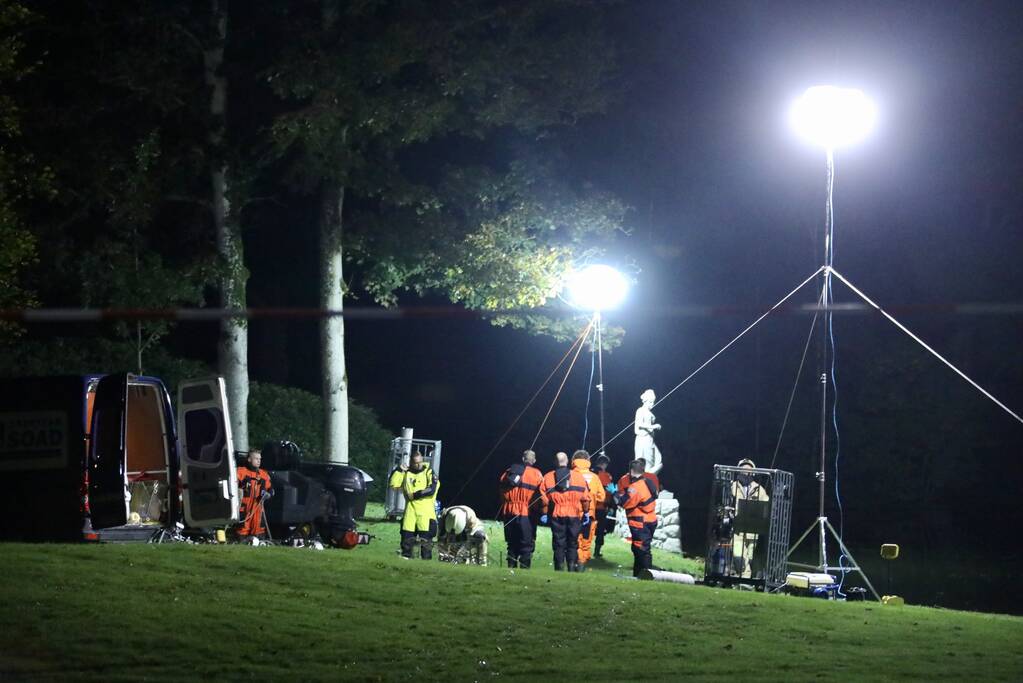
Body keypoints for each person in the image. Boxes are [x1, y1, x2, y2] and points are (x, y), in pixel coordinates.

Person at [540, 452, 590, 572]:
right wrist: (586, 512)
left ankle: (559, 568)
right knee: (573, 543)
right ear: (567, 461)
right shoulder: (578, 477)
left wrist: (544, 513)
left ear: (555, 462)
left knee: (558, 543)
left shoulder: (548, 477)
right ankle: (571, 568)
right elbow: (586, 497)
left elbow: (543, 499)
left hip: (557, 513)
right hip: (574, 514)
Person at [388, 452, 440, 559]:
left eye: (420, 462)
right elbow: (393, 484)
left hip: (425, 513)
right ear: (411, 462)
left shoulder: (429, 472)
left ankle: (426, 562)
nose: (418, 465)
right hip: (410, 511)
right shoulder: (406, 473)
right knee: (406, 537)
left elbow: (431, 489)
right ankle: (406, 558)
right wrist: (398, 470)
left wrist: (414, 495)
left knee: (426, 542)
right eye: (415, 463)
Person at [498, 449, 544, 568]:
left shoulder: (509, 471)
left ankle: (511, 567)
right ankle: (524, 569)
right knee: (526, 543)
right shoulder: (537, 474)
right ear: (533, 460)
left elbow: (501, 490)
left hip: (508, 510)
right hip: (526, 512)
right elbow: (542, 496)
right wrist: (542, 511)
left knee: (512, 543)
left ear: (523, 459)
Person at [615, 459, 659, 577]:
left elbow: (625, 503)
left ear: (631, 471)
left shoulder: (635, 487)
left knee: (641, 549)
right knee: (643, 548)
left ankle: (645, 575)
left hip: (640, 521)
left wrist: (615, 495)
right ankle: (640, 574)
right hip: (650, 519)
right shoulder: (649, 482)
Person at [731, 458, 769, 578]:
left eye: (749, 468)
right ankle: (745, 581)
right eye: (743, 467)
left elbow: (766, 506)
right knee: (739, 557)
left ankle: (746, 582)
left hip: (753, 531)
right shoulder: (731, 486)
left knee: (751, 559)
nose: (746, 470)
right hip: (737, 529)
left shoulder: (759, 489)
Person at [571, 450, 605, 570]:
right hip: (589, 514)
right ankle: (581, 563)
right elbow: (602, 496)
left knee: (573, 539)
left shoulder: (571, 475)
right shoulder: (594, 477)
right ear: (588, 461)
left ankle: (573, 562)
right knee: (586, 540)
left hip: (573, 512)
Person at [236, 449, 273, 542]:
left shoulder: (264, 475)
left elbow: (271, 489)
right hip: (244, 509)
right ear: (249, 459)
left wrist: (268, 494)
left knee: (259, 534)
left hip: (258, 509)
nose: (259, 461)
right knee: (242, 532)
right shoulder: (240, 472)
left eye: (260, 459)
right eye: (256, 458)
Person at [634, 389, 663, 474]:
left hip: (650, 440)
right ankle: (644, 479)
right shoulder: (640, 410)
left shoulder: (649, 412)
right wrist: (653, 426)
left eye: (653, 402)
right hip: (644, 439)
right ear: (646, 401)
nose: (652, 404)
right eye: (651, 402)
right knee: (646, 462)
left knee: (658, 460)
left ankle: (648, 477)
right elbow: (639, 424)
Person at [592, 453, 616, 558]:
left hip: (589, 505)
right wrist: (611, 506)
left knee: (586, 527)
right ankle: (597, 551)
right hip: (601, 506)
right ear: (604, 464)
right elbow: (609, 492)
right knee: (600, 529)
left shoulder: (590, 473)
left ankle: (581, 548)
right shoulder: (606, 476)